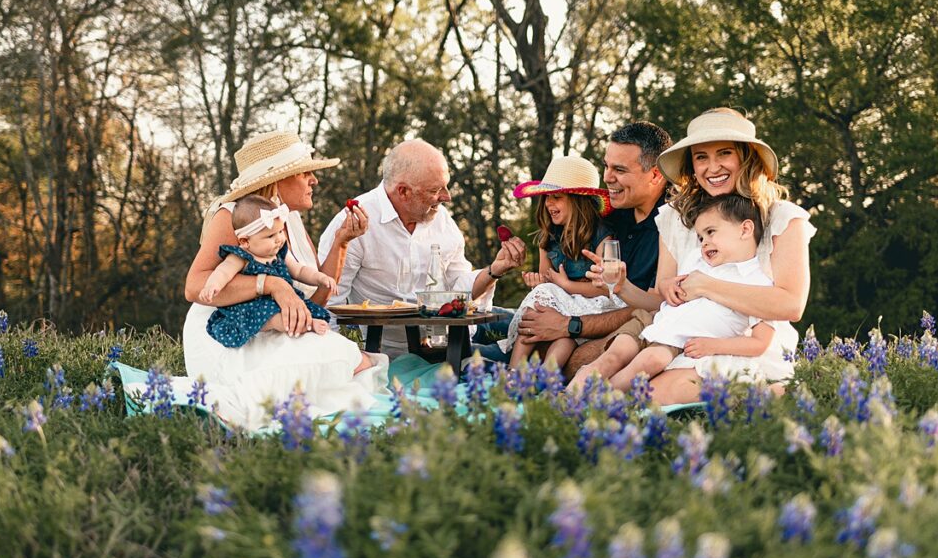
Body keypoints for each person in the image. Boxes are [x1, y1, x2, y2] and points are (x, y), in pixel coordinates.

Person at [584, 107, 816, 404]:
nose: (712, 167)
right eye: (701, 157)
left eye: (724, 154)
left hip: (750, 344)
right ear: (692, 166)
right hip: (684, 342)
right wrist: (622, 286)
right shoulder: (675, 218)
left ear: (746, 157)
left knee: (651, 395)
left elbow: (791, 305)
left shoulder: (782, 218)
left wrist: (705, 285)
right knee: (638, 386)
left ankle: (768, 395)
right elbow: (662, 302)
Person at [183, 131, 381, 430]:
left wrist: (342, 242)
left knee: (354, 364)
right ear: (278, 179)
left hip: (273, 327)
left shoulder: (287, 223)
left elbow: (312, 301)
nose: (314, 179)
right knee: (345, 360)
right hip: (227, 330)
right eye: (305, 172)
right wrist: (271, 284)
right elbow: (195, 288)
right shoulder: (237, 215)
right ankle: (230, 405)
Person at [318, 139, 527, 356]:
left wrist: (494, 270)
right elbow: (330, 304)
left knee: (532, 322)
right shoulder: (353, 224)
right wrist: (352, 361)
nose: (447, 197)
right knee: (513, 362)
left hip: (453, 333)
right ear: (403, 192)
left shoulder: (443, 220)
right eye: (436, 190)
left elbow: (458, 290)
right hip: (396, 350)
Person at [569, 194, 775, 391]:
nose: (704, 242)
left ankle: (599, 403)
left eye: (711, 232)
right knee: (612, 357)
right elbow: (670, 291)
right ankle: (567, 398)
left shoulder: (758, 282)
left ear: (745, 229)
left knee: (650, 361)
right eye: (700, 236)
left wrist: (714, 345)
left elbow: (759, 342)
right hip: (651, 320)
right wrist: (667, 285)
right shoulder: (697, 260)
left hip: (679, 339)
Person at [514, 122, 672, 376]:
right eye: (606, 166)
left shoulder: (672, 224)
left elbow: (653, 308)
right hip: (582, 315)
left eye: (619, 169)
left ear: (655, 175)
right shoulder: (613, 214)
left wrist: (569, 325)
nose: (608, 177)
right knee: (501, 322)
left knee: (577, 356)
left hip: (621, 330)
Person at [501, 155, 617, 368]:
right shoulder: (549, 238)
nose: (548, 204)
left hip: (595, 307)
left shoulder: (602, 237)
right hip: (564, 311)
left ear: (578, 200)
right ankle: (525, 376)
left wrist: (566, 285)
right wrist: (539, 282)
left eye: (556, 197)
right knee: (549, 322)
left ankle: (519, 372)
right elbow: (546, 282)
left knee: (542, 303)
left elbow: (609, 289)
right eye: (546, 197)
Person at [200, 194, 341, 346]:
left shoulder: (280, 253)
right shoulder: (241, 257)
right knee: (273, 316)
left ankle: (306, 322)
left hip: (282, 301)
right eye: (270, 236)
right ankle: (305, 325)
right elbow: (223, 272)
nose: (279, 239)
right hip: (253, 306)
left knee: (299, 309)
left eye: (280, 232)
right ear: (245, 241)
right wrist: (212, 286)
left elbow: (299, 271)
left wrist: (320, 278)